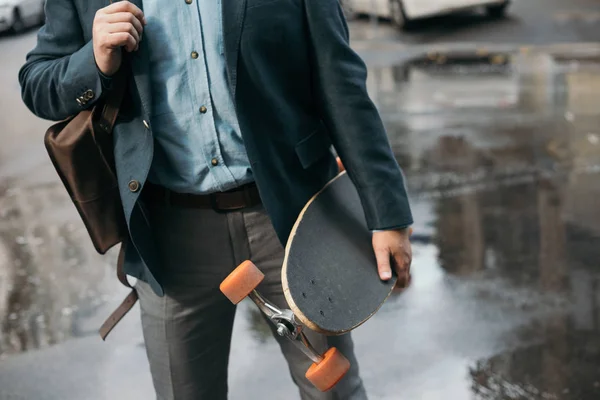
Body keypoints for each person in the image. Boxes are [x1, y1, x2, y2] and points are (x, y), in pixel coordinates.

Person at [18, 0, 413, 399]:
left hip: (293, 219)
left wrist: (387, 214)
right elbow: (37, 84)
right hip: (172, 240)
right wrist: (94, 58)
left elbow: (341, 84)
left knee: (335, 392)